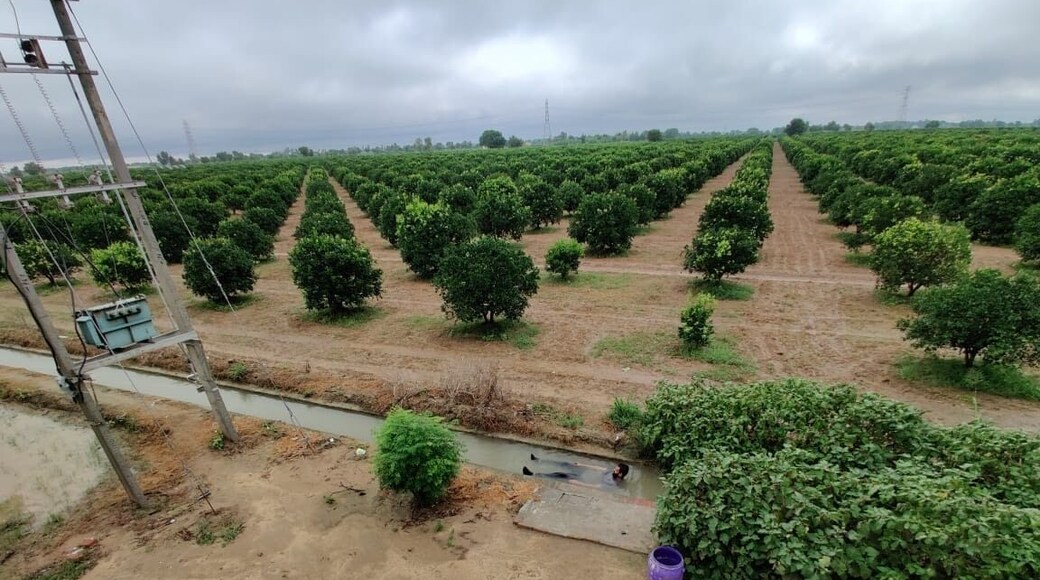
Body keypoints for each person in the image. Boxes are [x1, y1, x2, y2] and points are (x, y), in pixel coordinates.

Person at [521, 453, 630, 487]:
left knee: (561, 474)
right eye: (616, 467)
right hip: (585, 474)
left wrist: (578, 483)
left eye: (617, 470)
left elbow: (595, 487)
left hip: (584, 479)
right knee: (566, 463)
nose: (614, 469)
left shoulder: (613, 483)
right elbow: (598, 468)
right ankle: (539, 460)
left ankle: (533, 474)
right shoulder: (613, 472)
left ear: (620, 474)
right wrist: (581, 464)